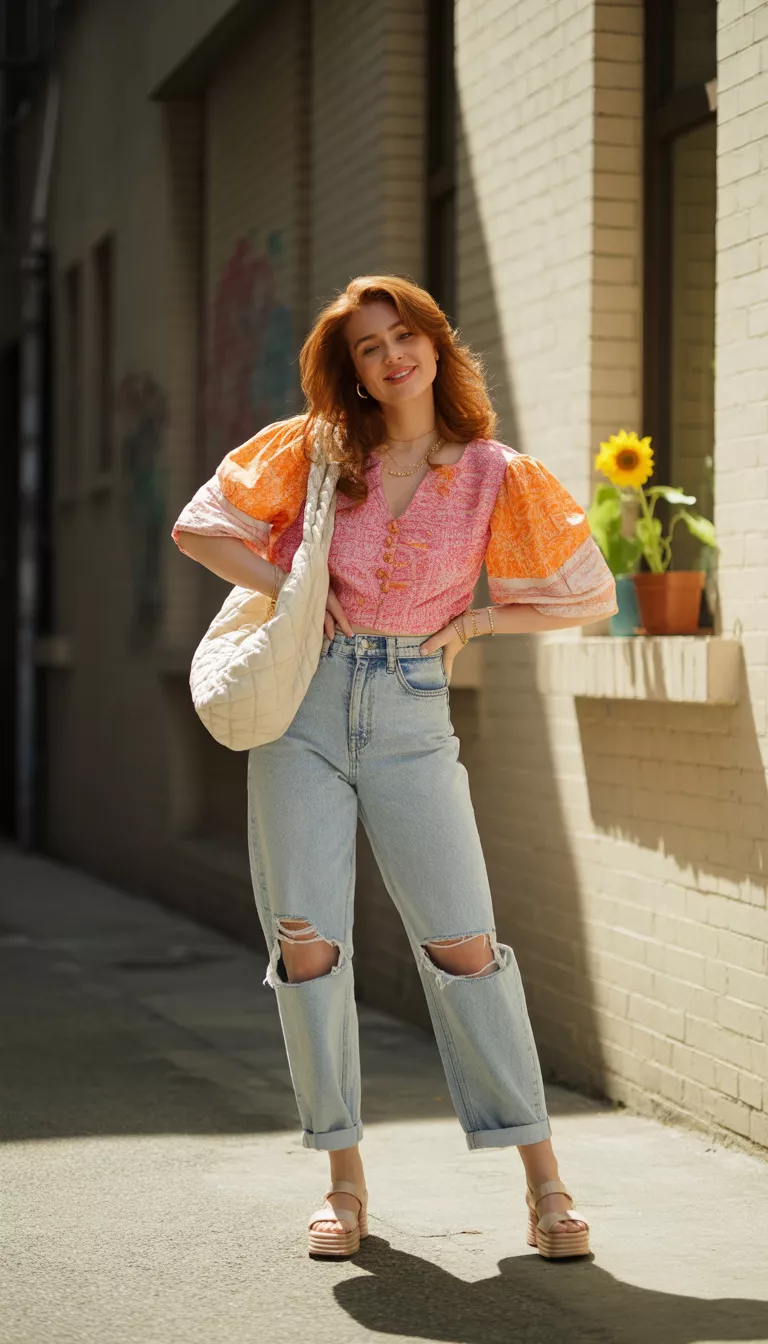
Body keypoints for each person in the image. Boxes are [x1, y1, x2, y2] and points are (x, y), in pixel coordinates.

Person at [172, 275, 617, 1261]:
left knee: (466, 943)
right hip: (305, 709)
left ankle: (545, 1184)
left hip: (415, 709)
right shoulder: (320, 452)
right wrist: (294, 586)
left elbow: (589, 596)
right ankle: (343, 1182)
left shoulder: (496, 473)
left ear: (434, 344)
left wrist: (484, 615)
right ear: (355, 370)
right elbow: (200, 527)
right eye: (368, 347)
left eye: (402, 334)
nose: (390, 356)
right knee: (308, 944)